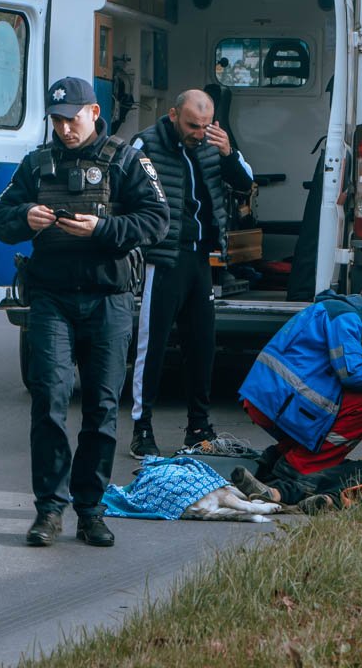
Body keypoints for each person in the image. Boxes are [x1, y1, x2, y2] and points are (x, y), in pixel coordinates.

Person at [0, 77, 169, 548]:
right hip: (50, 300)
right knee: (48, 403)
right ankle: (49, 509)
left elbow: (157, 219)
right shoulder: (37, 164)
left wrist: (104, 228)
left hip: (108, 299)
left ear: (93, 111)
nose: (65, 127)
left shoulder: (126, 158)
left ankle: (90, 508)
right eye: (57, 119)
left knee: (102, 407)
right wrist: (23, 217)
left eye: (72, 117)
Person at [127, 89, 255, 458]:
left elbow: (245, 182)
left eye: (204, 126)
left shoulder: (215, 142)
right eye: (191, 125)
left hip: (201, 258)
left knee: (202, 345)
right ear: (173, 115)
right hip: (164, 257)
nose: (198, 133)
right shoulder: (145, 143)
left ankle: (198, 427)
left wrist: (228, 152)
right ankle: (142, 428)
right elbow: (123, 189)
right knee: (151, 346)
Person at [237, 279, 362, 490]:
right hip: (276, 401)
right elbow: (351, 373)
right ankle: (302, 467)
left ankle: (280, 457)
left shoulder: (337, 310)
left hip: (265, 398)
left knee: (341, 404)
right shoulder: (347, 318)